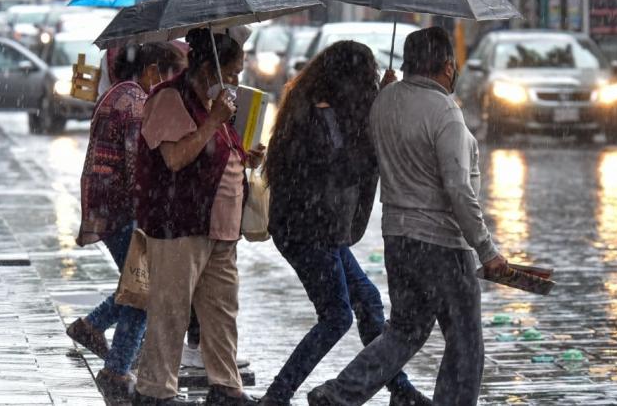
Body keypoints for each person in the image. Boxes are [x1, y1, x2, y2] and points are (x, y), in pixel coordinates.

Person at [308, 27, 509, 406]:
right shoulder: (446, 112)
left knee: (404, 330)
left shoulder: (384, 102)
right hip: (442, 243)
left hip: (398, 238)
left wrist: (386, 92)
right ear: (448, 66)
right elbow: (458, 188)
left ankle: (341, 393)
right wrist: (486, 249)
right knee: (465, 342)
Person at [261, 42, 429, 406]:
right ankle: (278, 394)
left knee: (367, 302)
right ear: (347, 78)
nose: (368, 83)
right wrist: (375, 111)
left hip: (324, 231)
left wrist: (381, 100)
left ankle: (399, 391)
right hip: (304, 231)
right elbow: (344, 166)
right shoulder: (313, 116)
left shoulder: (334, 110)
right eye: (365, 76)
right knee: (336, 315)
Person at [132, 27, 264, 406]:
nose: (237, 79)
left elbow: (215, 150)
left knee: (221, 312)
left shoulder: (215, 102)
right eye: (233, 71)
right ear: (210, 67)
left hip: (220, 228)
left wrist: (242, 155)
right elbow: (175, 158)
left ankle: (225, 385)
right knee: (171, 311)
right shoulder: (170, 99)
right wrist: (213, 121)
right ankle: (155, 390)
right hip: (179, 223)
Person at [67, 42, 187, 400]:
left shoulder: (116, 93)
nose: (165, 83)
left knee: (138, 285)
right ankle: (117, 369)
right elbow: (139, 166)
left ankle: (93, 328)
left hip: (108, 207)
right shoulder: (135, 103)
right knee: (144, 290)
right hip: (123, 211)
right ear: (151, 70)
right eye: (165, 76)